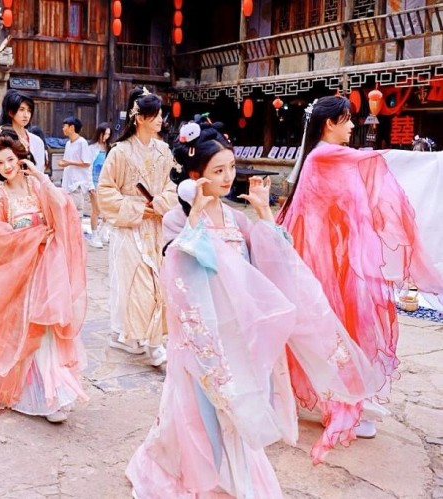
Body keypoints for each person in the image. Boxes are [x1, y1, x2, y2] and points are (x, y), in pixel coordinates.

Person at [126, 123, 383, 497]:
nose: (228, 177)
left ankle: (236, 480)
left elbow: (269, 262)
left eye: (231, 167)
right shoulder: (176, 219)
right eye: (218, 171)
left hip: (238, 333)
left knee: (236, 412)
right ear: (194, 177)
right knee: (198, 413)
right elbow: (178, 274)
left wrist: (264, 213)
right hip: (203, 337)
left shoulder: (235, 217)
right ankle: (185, 477)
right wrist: (194, 218)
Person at [277, 95, 443, 438]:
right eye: (347, 119)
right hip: (323, 260)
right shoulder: (325, 155)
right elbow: (379, 161)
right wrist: (432, 163)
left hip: (331, 256)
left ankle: (343, 399)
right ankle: (342, 402)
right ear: (330, 123)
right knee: (337, 329)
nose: (353, 126)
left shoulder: (321, 156)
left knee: (337, 328)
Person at [0, 130, 87, 422]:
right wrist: (34, 237)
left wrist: (40, 176)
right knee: (22, 331)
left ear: (20, 158)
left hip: (44, 269)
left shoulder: (37, 186)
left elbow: (62, 207)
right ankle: (33, 395)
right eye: (0, 163)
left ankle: (52, 393)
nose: (7, 166)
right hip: (16, 273)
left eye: (10, 159)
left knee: (45, 330)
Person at [96, 87, 177, 366]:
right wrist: (137, 208)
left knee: (158, 283)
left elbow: (172, 185)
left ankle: (146, 337)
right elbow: (106, 190)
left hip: (155, 227)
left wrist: (160, 203)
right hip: (130, 228)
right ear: (140, 118)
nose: (161, 120)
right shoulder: (120, 152)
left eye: (161, 114)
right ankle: (152, 343)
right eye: (156, 115)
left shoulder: (164, 150)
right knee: (138, 284)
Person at [0, 90, 46, 217]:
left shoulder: (37, 141)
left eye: (29, 110)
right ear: (10, 112)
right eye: (21, 110)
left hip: (31, 194)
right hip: (3, 193)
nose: (26, 115)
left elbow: (39, 170)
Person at [59, 116, 103, 249]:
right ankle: (71, 242)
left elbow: (86, 163)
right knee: (67, 213)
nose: (63, 128)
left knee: (75, 215)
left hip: (77, 185)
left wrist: (68, 163)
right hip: (67, 184)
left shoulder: (82, 143)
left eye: (65, 126)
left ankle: (76, 243)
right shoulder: (68, 143)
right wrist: (65, 163)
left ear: (72, 127)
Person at [88, 122, 112, 244]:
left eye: (108, 134)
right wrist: (90, 185)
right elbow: (88, 167)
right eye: (104, 134)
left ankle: (103, 230)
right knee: (96, 210)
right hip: (94, 181)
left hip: (106, 182)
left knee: (108, 209)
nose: (106, 137)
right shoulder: (92, 148)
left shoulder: (109, 148)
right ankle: (94, 234)